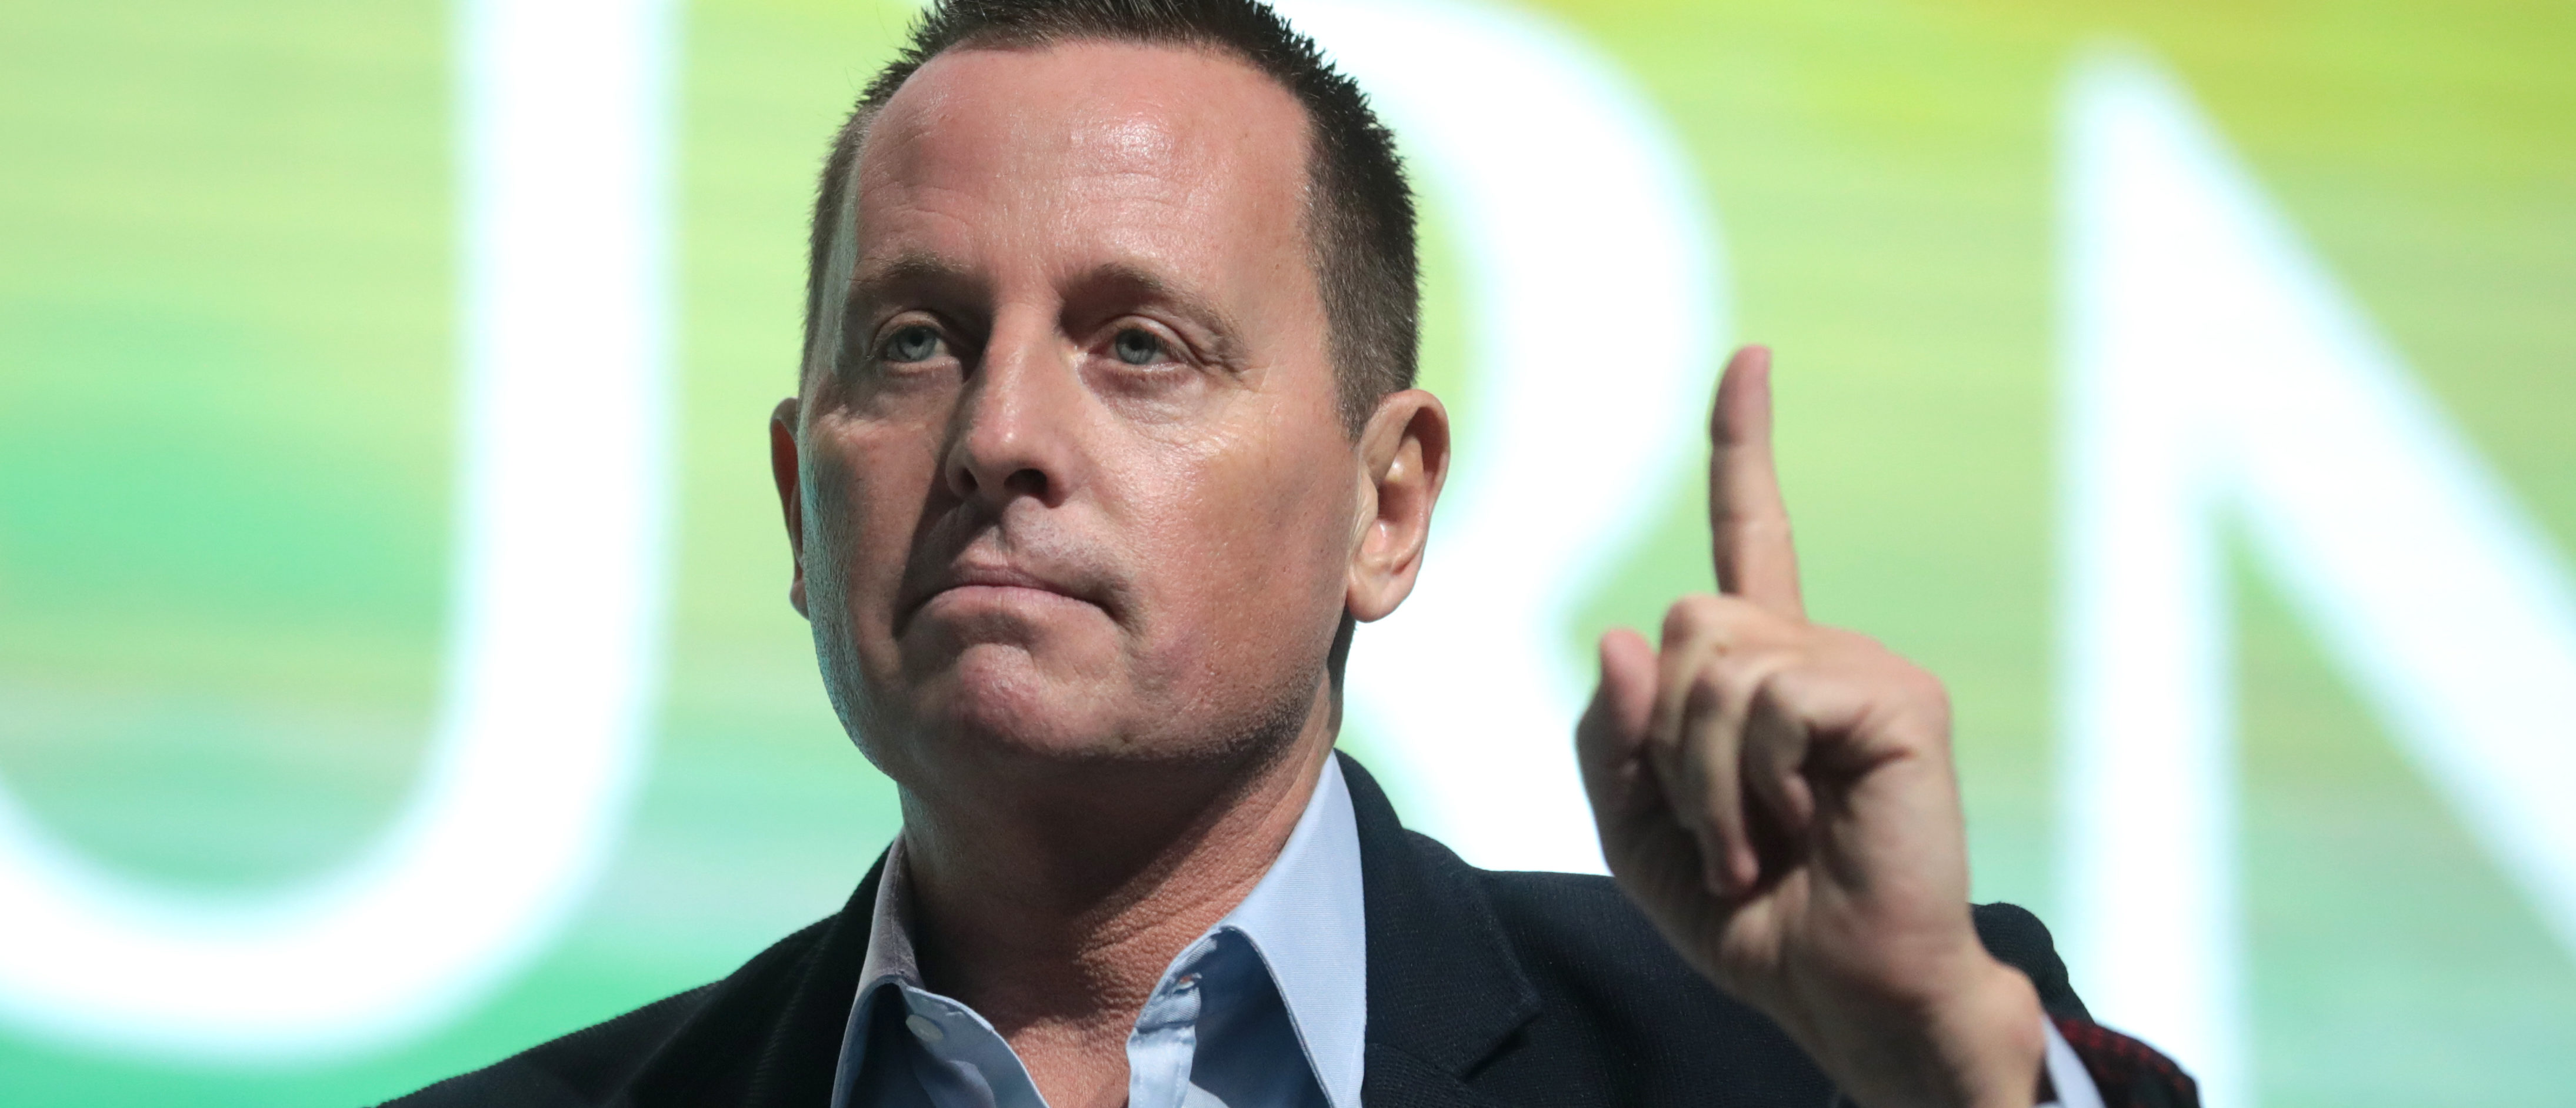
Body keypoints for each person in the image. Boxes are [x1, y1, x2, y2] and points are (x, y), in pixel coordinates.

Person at [391, 1, 2197, 1104]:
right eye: (917, 340)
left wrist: (1940, 1070)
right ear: (800, 502)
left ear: (1385, 504)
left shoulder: (1792, 1068)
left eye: (1140, 346)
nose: (1000, 434)